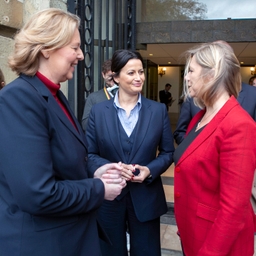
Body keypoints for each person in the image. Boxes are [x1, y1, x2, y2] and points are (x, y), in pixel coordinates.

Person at [0, 8, 126, 256]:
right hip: (44, 245)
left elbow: (63, 158)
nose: (80, 55)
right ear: (46, 48)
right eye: (74, 47)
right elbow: (38, 194)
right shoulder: (18, 99)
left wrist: (95, 169)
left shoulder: (54, 94)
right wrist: (99, 188)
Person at [86, 49, 175, 256]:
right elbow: (89, 154)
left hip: (146, 198)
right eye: (131, 73)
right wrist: (110, 168)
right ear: (116, 77)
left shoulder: (158, 111)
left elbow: (168, 152)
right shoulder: (98, 112)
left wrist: (149, 170)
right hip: (109, 199)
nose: (139, 78)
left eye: (141, 72)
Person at [173, 41, 256, 256]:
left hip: (217, 245)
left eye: (191, 71)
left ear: (211, 75)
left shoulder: (239, 125)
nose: (186, 77)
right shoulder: (200, 117)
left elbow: (234, 210)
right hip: (194, 233)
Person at [174, 82, 256, 145]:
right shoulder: (193, 95)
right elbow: (180, 132)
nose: (187, 77)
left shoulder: (253, 94)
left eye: (192, 71)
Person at [81, 59, 119, 131]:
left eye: (116, 76)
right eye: (110, 76)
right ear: (103, 75)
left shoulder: (126, 95)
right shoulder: (93, 97)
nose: (113, 80)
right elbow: (85, 125)